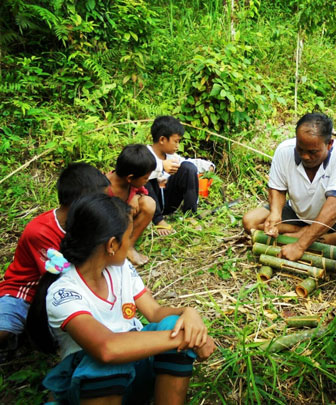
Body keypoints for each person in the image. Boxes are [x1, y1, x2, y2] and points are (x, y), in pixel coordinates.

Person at [26, 193, 216, 404]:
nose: (130, 244)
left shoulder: (121, 269)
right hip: (89, 386)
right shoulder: (64, 292)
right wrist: (186, 339)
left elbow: (154, 312)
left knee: (174, 325)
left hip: (132, 370)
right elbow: (108, 349)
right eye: (129, 236)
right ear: (111, 245)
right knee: (107, 364)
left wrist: (188, 313)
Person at [0, 163, 109, 360]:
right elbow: (58, 277)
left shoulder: (86, 224)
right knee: (3, 329)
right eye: (99, 199)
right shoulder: (40, 231)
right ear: (79, 202)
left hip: (60, 290)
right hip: (25, 293)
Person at [242, 112, 336, 261]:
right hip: (298, 213)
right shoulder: (285, 150)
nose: (305, 156)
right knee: (250, 221)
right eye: (300, 149)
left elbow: (335, 205)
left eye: (313, 152)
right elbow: (277, 188)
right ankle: (304, 232)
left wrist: (299, 246)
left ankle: (319, 237)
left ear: (329, 144)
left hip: (333, 220)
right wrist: (276, 213)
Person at [145, 116, 215, 236]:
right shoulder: (143, 153)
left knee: (188, 168)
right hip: (151, 202)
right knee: (143, 176)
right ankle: (158, 220)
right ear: (162, 139)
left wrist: (208, 166)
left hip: (169, 201)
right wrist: (161, 166)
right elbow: (133, 171)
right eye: (175, 141)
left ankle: (190, 214)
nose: (178, 146)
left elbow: (188, 163)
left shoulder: (172, 156)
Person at [106, 144, 156, 266]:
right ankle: (115, 249)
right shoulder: (104, 187)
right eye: (145, 178)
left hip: (125, 225)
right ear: (130, 178)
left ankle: (128, 246)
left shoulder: (131, 183)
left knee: (149, 203)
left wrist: (136, 196)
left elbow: (143, 191)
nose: (147, 181)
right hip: (107, 227)